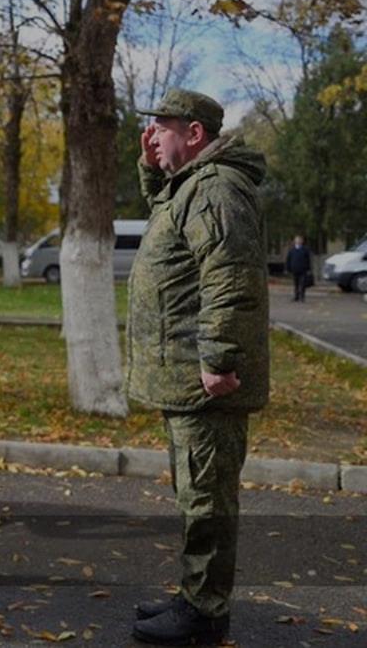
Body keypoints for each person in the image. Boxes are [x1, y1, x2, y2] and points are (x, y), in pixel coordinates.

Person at [127, 89, 269, 646]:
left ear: (194, 133)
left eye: (162, 126)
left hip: (205, 380)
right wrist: (151, 167)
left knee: (207, 500)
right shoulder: (191, 186)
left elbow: (229, 275)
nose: (152, 134)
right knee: (195, 496)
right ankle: (195, 595)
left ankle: (205, 613)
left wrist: (219, 357)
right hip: (186, 379)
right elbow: (167, 214)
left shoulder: (216, 188)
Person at [285, 235, 313, 302]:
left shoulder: (305, 250)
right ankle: (296, 296)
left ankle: (302, 297)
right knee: (296, 284)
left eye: (299, 240)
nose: (298, 241)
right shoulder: (292, 250)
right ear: (294, 241)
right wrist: (287, 268)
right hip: (294, 269)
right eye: (297, 240)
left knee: (302, 284)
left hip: (303, 270)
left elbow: (308, 260)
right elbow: (288, 260)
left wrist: (309, 269)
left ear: (302, 241)